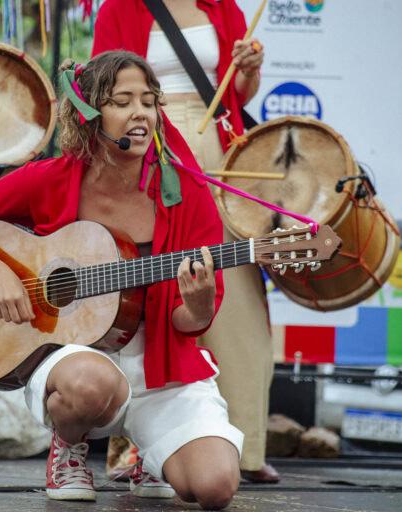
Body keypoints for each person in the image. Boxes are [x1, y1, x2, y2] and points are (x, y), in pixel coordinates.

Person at [0, 51, 242, 510]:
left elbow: (187, 323)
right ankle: (69, 444)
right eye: (122, 101)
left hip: (161, 364)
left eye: (149, 101)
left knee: (215, 488)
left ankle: (148, 453)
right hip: (72, 356)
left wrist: (198, 305)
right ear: (90, 111)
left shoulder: (187, 192)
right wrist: (0, 273)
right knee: (90, 384)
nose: (140, 113)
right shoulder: (50, 178)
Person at [92, 0, 279, 483]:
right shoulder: (119, 8)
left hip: (217, 148)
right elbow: (100, 87)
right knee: (146, 288)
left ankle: (244, 442)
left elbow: (236, 94)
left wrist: (248, 72)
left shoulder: (223, 7)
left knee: (234, 291)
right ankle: (137, 448)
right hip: (150, 143)